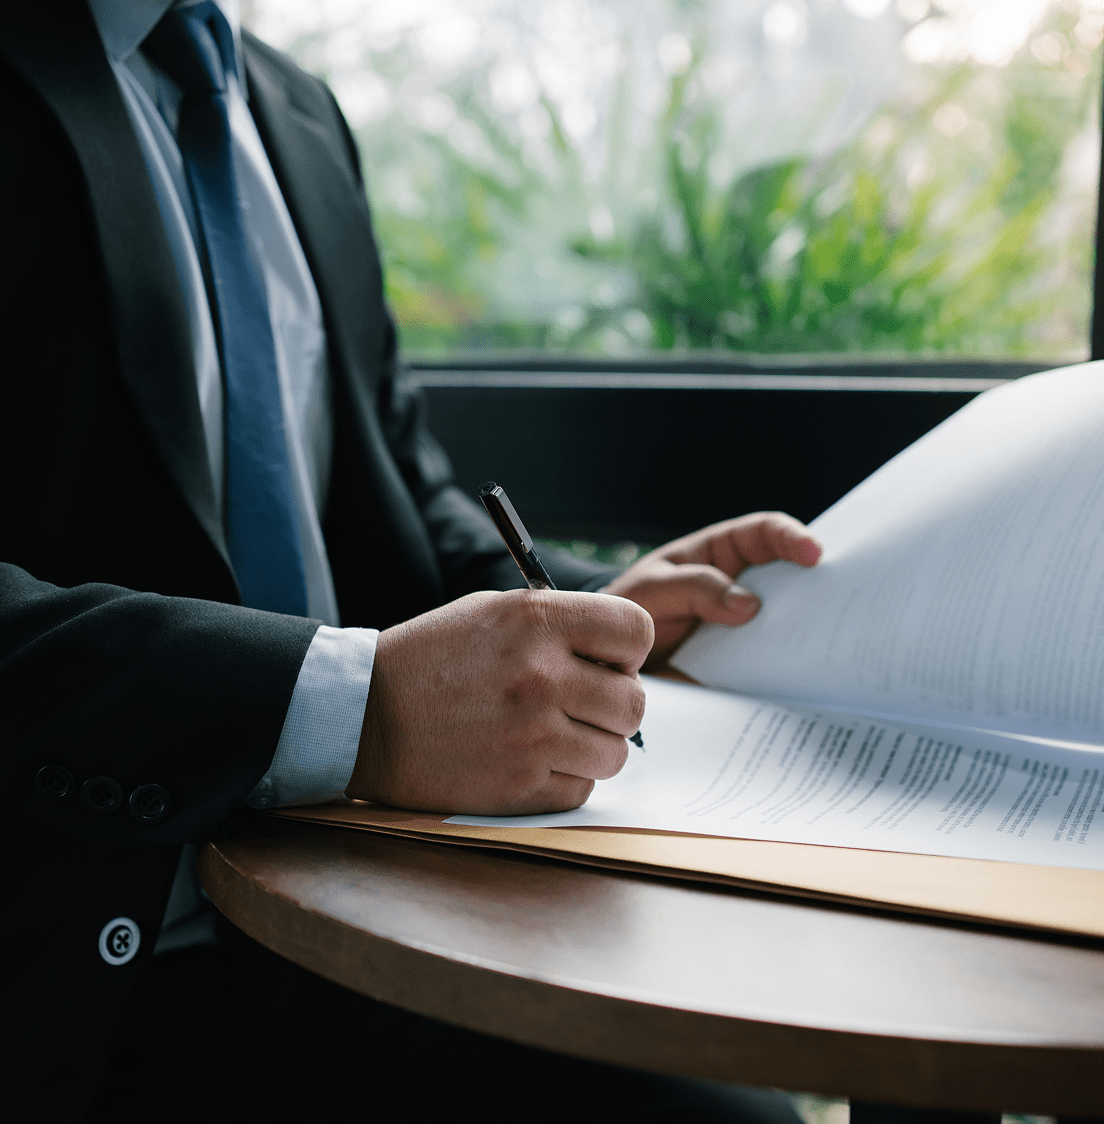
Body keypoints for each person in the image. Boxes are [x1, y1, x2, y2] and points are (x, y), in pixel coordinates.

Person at [0, 2, 822, 1120]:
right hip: (77, 984)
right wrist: (360, 705)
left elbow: (390, 485)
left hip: (354, 928)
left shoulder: (291, 108)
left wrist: (583, 611)